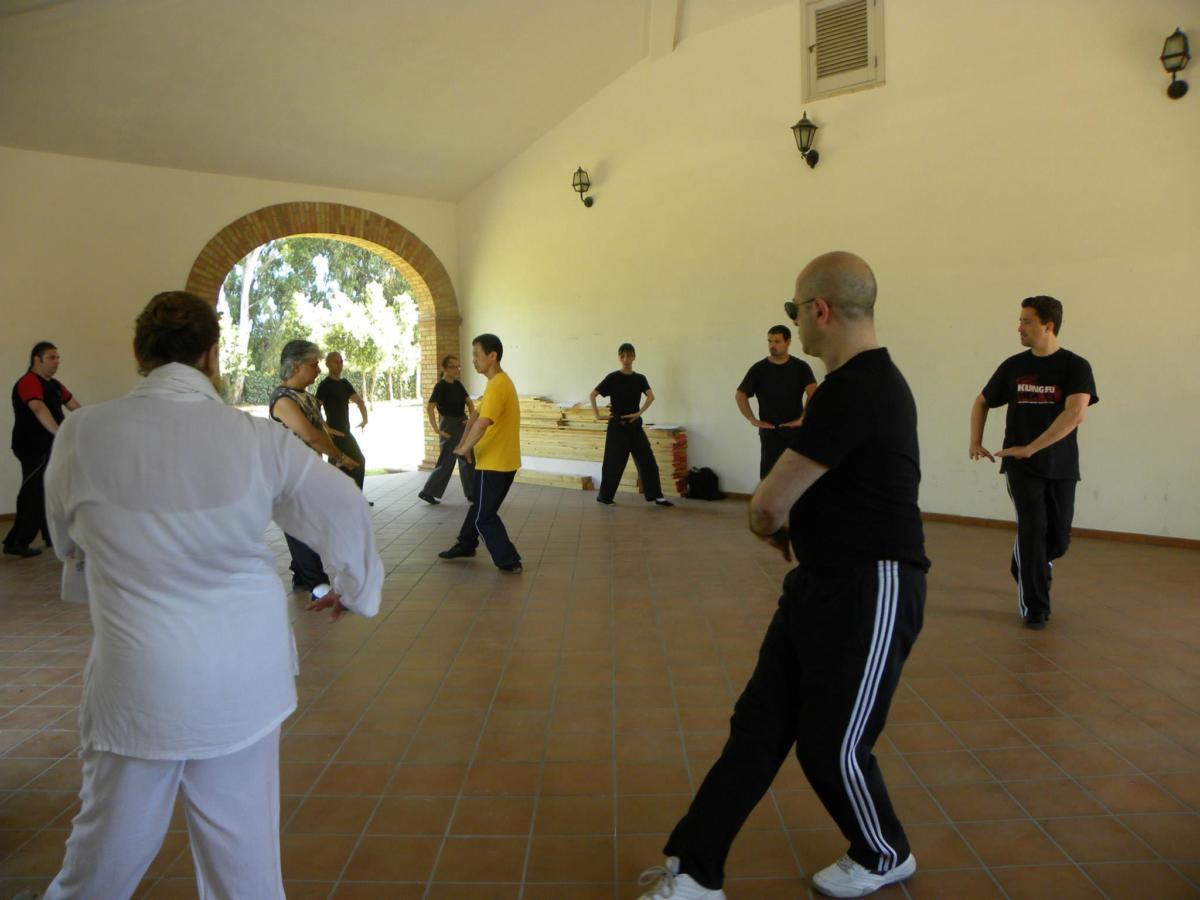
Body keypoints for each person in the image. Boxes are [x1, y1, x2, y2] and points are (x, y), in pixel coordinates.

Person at [40, 291, 383, 899]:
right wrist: (352, 587)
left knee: (104, 853)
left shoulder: (81, 434)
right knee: (244, 859)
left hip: (137, 678)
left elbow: (68, 543)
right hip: (244, 678)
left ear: (138, 353)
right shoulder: (254, 438)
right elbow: (343, 503)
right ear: (211, 355)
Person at [637, 252, 928, 900]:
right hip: (820, 582)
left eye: (796, 312)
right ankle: (695, 870)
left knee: (833, 744)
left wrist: (772, 530)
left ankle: (886, 852)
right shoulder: (853, 387)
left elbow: (767, 503)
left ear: (819, 310)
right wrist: (798, 541)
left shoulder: (856, 388)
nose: (794, 324)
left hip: (873, 587)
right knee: (760, 723)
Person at [969, 295, 1098, 630]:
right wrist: (975, 440)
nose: (1019, 327)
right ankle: (1035, 606)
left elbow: (1075, 414)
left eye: (1026, 320)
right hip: (1021, 466)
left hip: (1061, 465)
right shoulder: (1013, 366)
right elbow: (982, 401)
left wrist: (1034, 446)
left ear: (1048, 325)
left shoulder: (1076, 367)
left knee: (1058, 539)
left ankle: (1028, 561)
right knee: (1033, 528)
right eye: (1020, 320)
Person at [269, 340, 362, 594]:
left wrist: (332, 459)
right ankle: (317, 583)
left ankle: (301, 574)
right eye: (313, 364)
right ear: (295, 366)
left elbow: (321, 430)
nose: (318, 370)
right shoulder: (282, 399)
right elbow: (310, 435)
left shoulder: (307, 397)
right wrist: (340, 456)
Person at [437, 334, 522, 573]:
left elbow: (483, 422)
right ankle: (466, 544)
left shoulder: (499, 385)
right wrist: (464, 444)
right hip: (495, 461)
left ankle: (509, 560)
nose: (473, 360)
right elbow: (474, 416)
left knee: (484, 517)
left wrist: (464, 448)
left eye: (476, 354)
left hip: (496, 464)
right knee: (479, 507)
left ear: (492, 356)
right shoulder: (495, 383)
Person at [4, 341, 80, 558]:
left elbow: (74, 406)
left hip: (51, 445)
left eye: (58, 357)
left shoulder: (55, 385)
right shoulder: (28, 382)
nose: (57, 362)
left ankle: (49, 534)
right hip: (33, 446)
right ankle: (17, 542)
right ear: (37, 360)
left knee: (52, 489)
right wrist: (59, 433)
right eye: (52, 357)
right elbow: (38, 407)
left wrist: (89, 424)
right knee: (33, 492)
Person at [590, 343, 674, 507]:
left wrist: (639, 413)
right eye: (623, 356)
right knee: (612, 463)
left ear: (634, 356)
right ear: (619, 358)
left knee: (647, 460)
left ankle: (657, 495)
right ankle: (605, 497)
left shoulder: (640, 378)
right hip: (617, 427)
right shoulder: (613, 377)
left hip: (635, 426)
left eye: (629, 355)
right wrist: (598, 415)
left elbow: (651, 397)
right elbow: (593, 395)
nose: (626, 359)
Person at [735, 324, 818, 478]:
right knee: (769, 477)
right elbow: (740, 394)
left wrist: (803, 418)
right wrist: (752, 419)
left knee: (795, 476)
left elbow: (813, 391)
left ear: (788, 342)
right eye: (770, 341)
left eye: (777, 341)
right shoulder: (759, 369)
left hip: (794, 432)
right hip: (770, 432)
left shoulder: (800, 367)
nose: (772, 345)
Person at [419, 354, 476, 504]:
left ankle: (472, 492)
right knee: (447, 460)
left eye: (458, 366)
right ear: (444, 369)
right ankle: (427, 492)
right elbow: (430, 407)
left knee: (468, 457)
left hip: (462, 423)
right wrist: (437, 429)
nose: (456, 369)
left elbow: (470, 403)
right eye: (452, 366)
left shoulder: (458, 385)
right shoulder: (441, 386)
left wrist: (470, 420)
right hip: (449, 425)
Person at [315, 351, 368, 492]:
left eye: (341, 362)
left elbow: (359, 401)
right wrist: (327, 428)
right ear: (327, 364)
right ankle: (352, 498)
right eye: (335, 362)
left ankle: (348, 498)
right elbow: (315, 409)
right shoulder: (324, 386)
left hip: (345, 431)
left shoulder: (345, 384)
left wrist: (365, 419)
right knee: (358, 461)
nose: (339, 365)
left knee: (342, 466)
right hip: (335, 434)